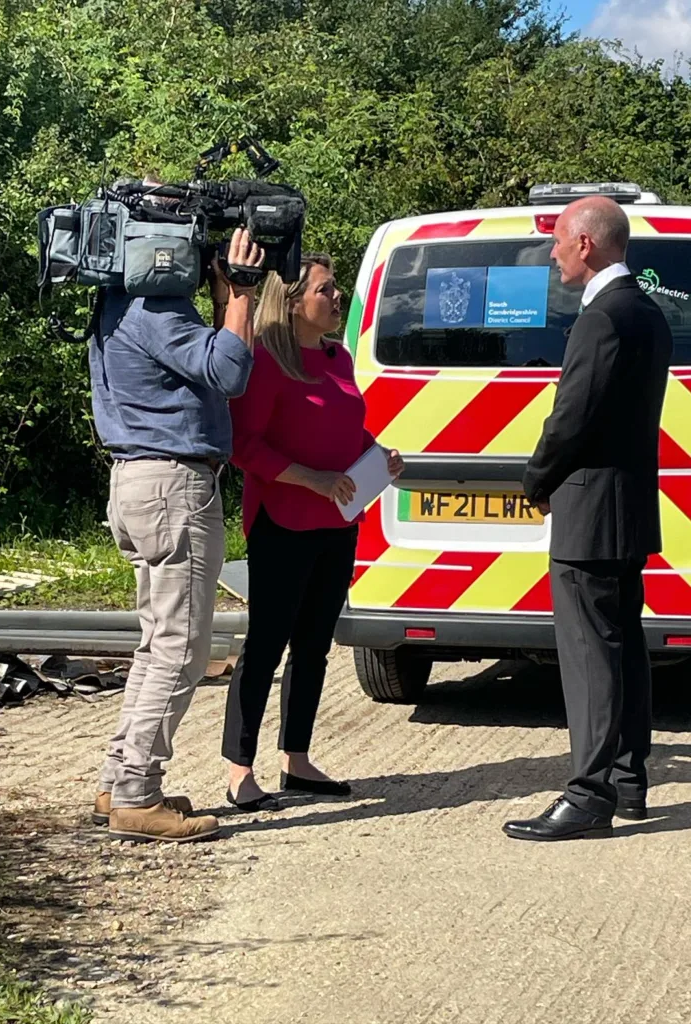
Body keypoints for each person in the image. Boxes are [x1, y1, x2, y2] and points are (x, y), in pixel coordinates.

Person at [503, 196, 673, 842]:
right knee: (622, 648)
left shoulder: (603, 316)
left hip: (589, 511)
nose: (549, 253)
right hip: (623, 509)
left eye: (556, 241)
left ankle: (588, 793)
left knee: (589, 657)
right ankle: (627, 781)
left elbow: (572, 415)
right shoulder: (645, 312)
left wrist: (535, 478)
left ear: (585, 244)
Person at [91, 226, 265, 844]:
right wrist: (242, 290)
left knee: (157, 642)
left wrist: (223, 301)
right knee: (180, 648)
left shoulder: (116, 304)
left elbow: (209, 360)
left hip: (142, 482)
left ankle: (119, 781)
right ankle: (139, 793)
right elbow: (229, 369)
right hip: (172, 486)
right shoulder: (156, 309)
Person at [221, 254, 404, 811]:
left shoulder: (338, 358)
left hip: (337, 520)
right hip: (283, 520)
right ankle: (239, 768)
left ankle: (296, 760)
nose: (337, 298)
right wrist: (314, 480)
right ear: (294, 300)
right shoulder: (265, 363)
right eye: (327, 290)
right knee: (267, 645)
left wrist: (375, 455)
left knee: (315, 646)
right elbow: (244, 447)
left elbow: (344, 424)